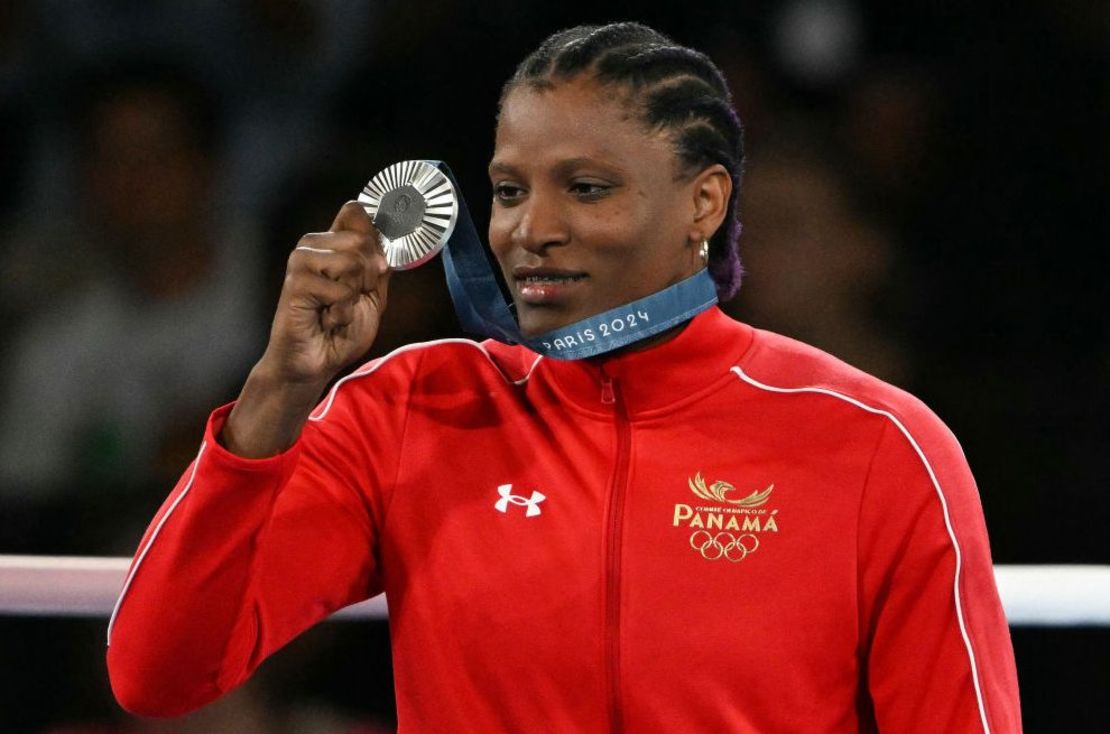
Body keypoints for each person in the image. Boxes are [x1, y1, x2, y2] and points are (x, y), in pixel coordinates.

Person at [106, 22, 1021, 732]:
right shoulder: (414, 408)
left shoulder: (876, 443)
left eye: (586, 188)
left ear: (704, 202)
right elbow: (159, 673)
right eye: (509, 190)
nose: (529, 229)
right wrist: (274, 396)